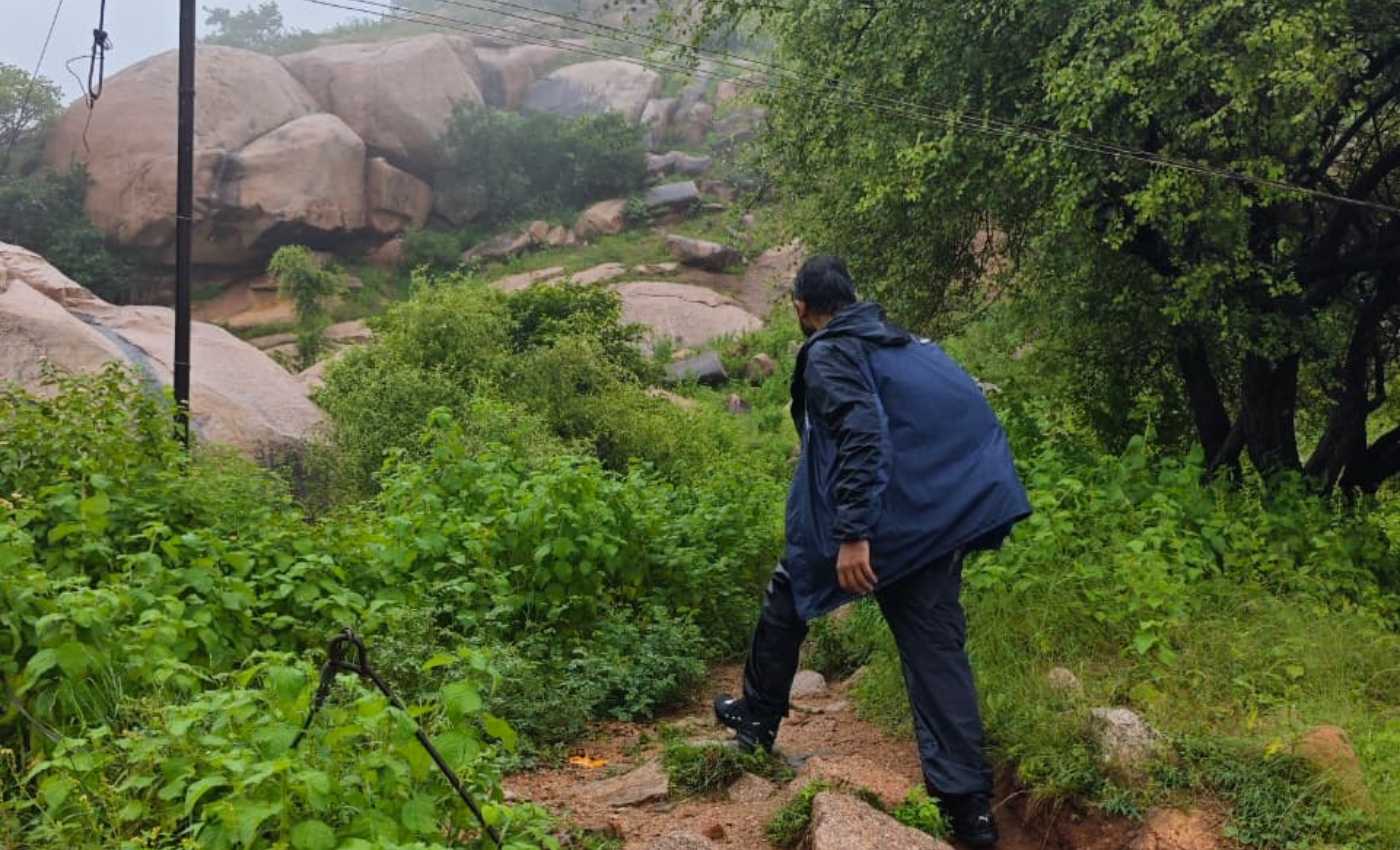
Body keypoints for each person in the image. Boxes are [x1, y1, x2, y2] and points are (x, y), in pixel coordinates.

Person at [713, 255, 1031, 847]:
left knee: (789, 593)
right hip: (937, 518)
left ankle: (756, 721)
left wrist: (853, 533)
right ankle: (969, 811)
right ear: (854, 297)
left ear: (801, 309)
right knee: (936, 651)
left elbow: (863, 432)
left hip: (888, 524)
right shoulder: (902, 345)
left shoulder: (832, 351)